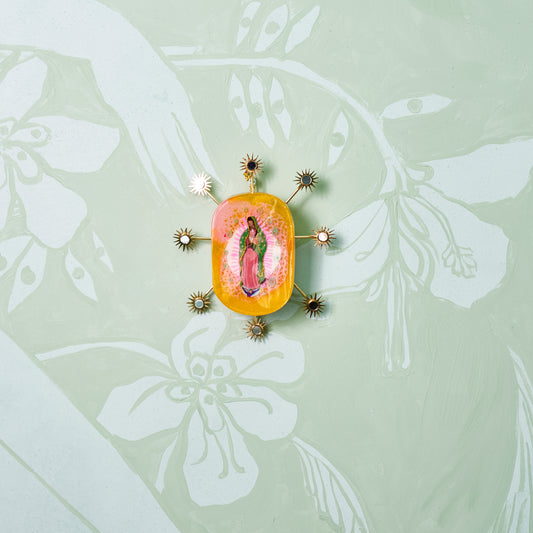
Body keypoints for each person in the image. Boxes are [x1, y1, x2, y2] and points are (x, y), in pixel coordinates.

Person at [239, 216, 267, 296]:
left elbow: (263, 243)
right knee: (246, 268)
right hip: (247, 252)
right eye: (249, 223)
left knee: (253, 269)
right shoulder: (246, 233)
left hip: (255, 253)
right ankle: (246, 284)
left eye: (251, 223)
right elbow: (242, 242)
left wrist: (255, 246)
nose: (250, 225)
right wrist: (246, 246)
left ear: (254, 222)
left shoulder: (259, 232)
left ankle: (254, 285)